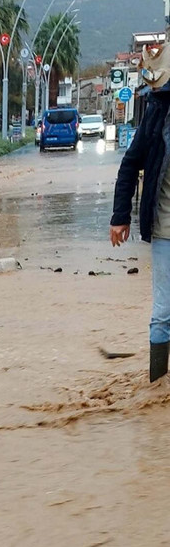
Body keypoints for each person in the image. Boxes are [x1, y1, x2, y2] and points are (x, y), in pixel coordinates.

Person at [110, 52, 170, 382]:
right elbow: (130, 164)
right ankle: (156, 387)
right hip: (166, 228)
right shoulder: (158, 114)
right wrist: (120, 216)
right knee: (163, 313)